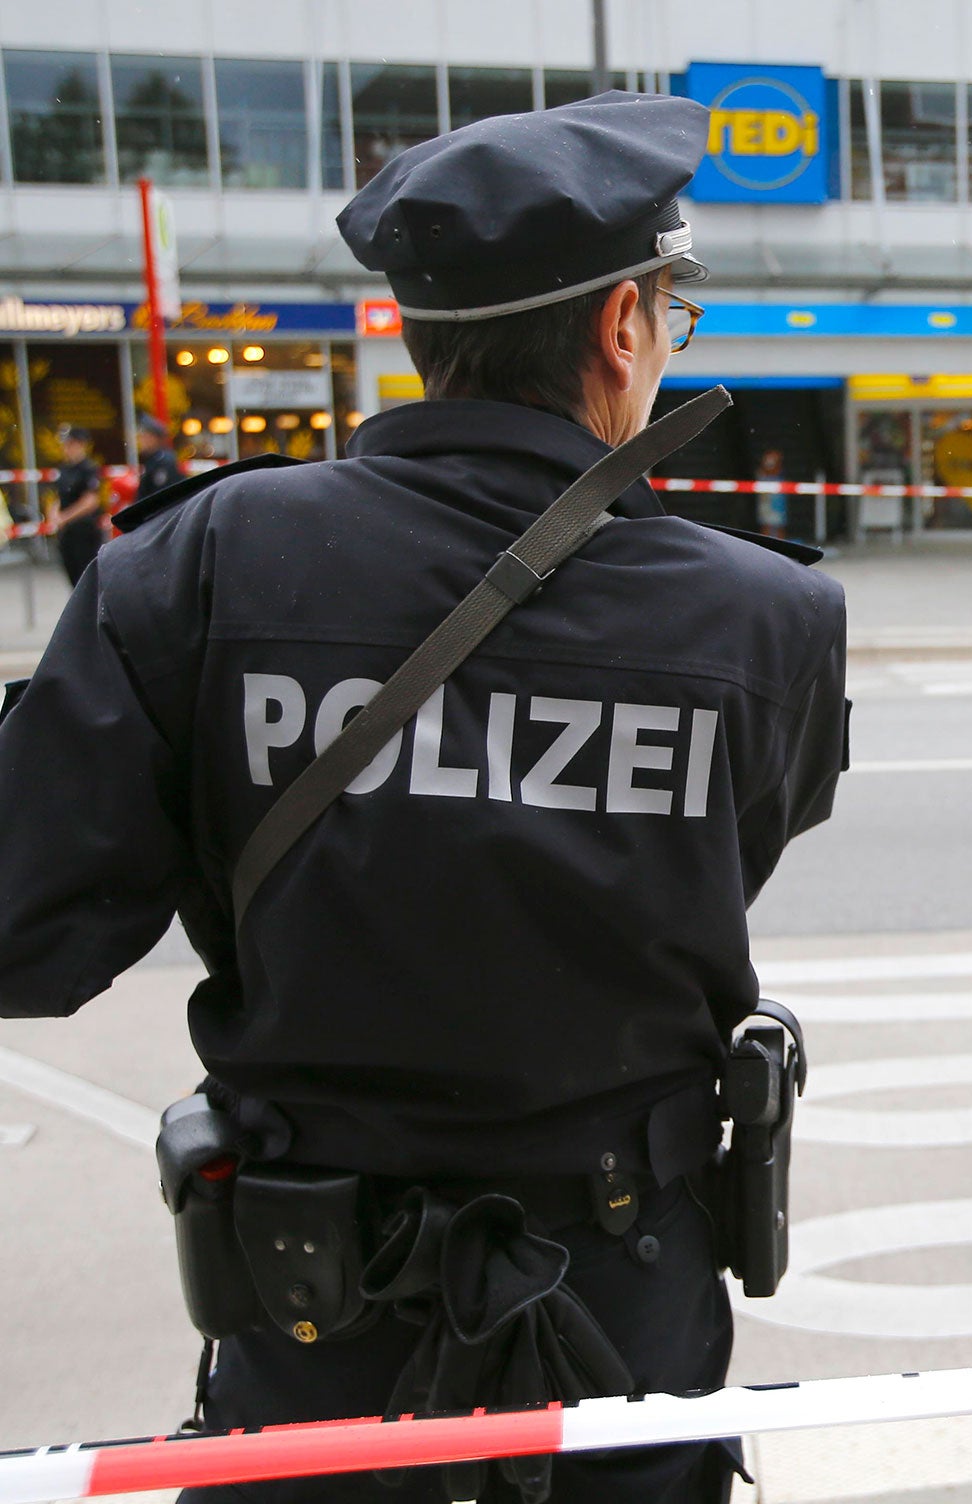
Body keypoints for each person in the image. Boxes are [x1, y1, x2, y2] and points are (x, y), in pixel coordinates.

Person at [0, 92, 847, 1504]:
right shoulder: (766, 618)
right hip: (625, 1314)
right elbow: (724, 851)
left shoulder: (202, 568)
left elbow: (23, 923)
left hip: (314, 1315)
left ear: (412, 329)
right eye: (670, 318)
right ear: (623, 328)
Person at [47, 424, 104, 586]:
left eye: (71, 444)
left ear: (81, 444)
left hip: (84, 530)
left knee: (87, 579)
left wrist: (65, 517)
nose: (67, 448)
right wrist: (54, 514)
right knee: (72, 578)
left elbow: (91, 501)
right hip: (67, 532)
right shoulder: (64, 469)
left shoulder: (88, 469)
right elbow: (59, 496)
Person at [133, 413, 182, 502]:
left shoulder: (163, 462)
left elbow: (161, 497)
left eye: (144, 436)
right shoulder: (153, 460)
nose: (140, 441)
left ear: (153, 438)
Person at [755, 447, 789, 539]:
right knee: (765, 524)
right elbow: (762, 474)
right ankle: (765, 546)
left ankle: (781, 547)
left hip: (777, 499)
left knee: (779, 525)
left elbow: (775, 472)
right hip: (766, 499)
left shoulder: (780, 471)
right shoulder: (761, 472)